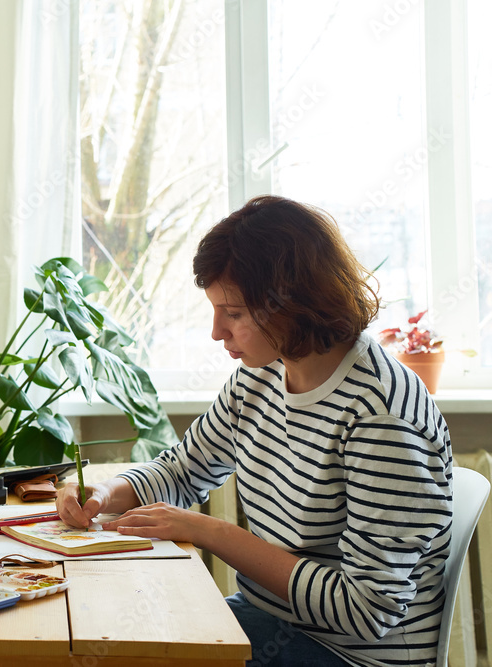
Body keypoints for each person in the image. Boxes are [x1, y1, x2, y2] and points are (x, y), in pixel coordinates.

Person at [57, 195, 453, 667]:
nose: (216, 332)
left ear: (294, 303)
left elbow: (367, 609)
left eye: (235, 313)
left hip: (351, 656)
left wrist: (208, 532)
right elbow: (184, 471)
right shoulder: (262, 375)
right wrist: (104, 492)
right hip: (268, 623)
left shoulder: (381, 414)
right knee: (111, 634)